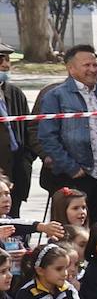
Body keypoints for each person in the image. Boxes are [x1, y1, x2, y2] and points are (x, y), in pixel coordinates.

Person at [36, 45, 97, 223]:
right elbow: (47, 137)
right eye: (87, 65)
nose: (92, 70)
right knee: (71, 231)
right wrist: (72, 168)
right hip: (74, 177)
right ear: (71, 68)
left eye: (95, 65)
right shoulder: (55, 96)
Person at [0, 43, 37, 218]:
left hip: (17, 170)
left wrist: (27, 159)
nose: (6, 65)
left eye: (7, 59)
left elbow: (29, 129)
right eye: (0, 60)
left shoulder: (14, 93)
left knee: (15, 222)